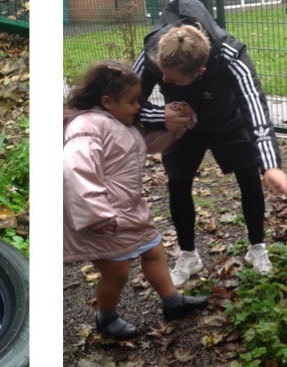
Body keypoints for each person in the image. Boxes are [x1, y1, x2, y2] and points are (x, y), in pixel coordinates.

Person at [134, 0, 287, 286]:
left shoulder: (231, 56)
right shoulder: (153, 54)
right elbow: (127, 102)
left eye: (171, 78)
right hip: (180, 126)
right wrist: (160, 116)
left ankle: (257, 248)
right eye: (161, 73)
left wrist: (271, 166)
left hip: (227, 120)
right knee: (178, 182)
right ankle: (188, 256)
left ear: (200, 72)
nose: (163, 79)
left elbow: (256, 109)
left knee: (248, 175)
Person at [64, 61, 207, 340]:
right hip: (103, 218)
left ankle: (172, 302)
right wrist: (98, 214)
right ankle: (106, 317)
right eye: (132, 101)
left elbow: (143, 146)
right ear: (107, 101)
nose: (138, 107)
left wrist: (176, 126)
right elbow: (75, 168)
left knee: (154, 251)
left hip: (129, 210)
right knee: (117, 273)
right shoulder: (87, 126)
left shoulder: (119, 123)